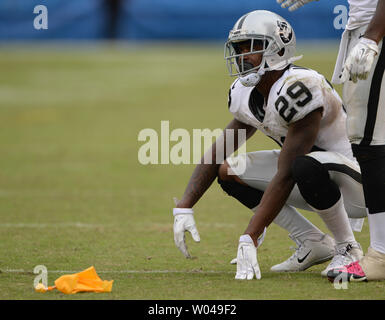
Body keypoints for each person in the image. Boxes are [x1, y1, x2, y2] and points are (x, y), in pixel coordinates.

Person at [173, 10, 367, 279]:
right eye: (238, 48)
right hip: (312, 174)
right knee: (228, 171)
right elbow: (222, 148)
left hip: (356, 184)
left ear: (277, 48)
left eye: (250, 48)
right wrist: (185, 204)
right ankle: (312, 241)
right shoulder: (246, 92)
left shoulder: (300, 86)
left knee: (303, 165)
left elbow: (287, 172)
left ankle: (348, 247)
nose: (242, 57)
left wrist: (249, 236)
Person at [278, 0, 385, 282]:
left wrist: (373, 35)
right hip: (368, 26)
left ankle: (382, 254)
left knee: (370, 141)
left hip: (376, 28)